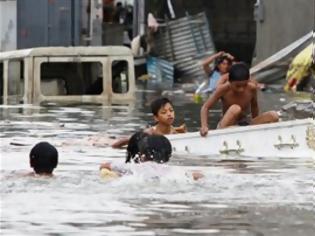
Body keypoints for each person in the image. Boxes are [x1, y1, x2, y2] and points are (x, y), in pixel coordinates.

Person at [200, 62, 279, 136]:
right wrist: (204, 126)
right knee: (235, 108)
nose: (241, 89)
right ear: (230, 82)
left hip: (246, 124)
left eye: (244, 85)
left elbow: (254, 106)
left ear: (248, 81)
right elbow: (205, 107)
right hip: (226, 126)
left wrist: (256, 126)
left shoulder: (252, 88)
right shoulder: (223, 89)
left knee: (273, 115)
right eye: (237, 86)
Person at [100, 132, 203, 180]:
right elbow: (198, 176)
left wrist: (119, 175)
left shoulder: (134, 168)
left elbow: (104, 166)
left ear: (142, 155)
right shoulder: (173, 171)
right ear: (168, 157)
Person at [111, 97, 186, 148]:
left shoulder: (174, 132)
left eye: (171, 110)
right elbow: (120, 143)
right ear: (156, 118)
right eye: (164, 112)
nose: (169, 114)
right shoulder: (149, 133)